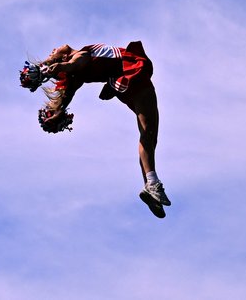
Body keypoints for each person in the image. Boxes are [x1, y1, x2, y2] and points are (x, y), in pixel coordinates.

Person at [20, 41, 171, 218]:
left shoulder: (75, 77)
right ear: (64, 55)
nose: (53, 49)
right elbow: (70, 65)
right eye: (53, 51)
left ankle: (151, 186)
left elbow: (67, 80)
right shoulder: (81, 56)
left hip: (123, 82)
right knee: (148, 134)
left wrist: (55, 112)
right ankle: (152, 185)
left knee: (148, 135)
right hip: (133, 75)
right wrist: (49, 71)